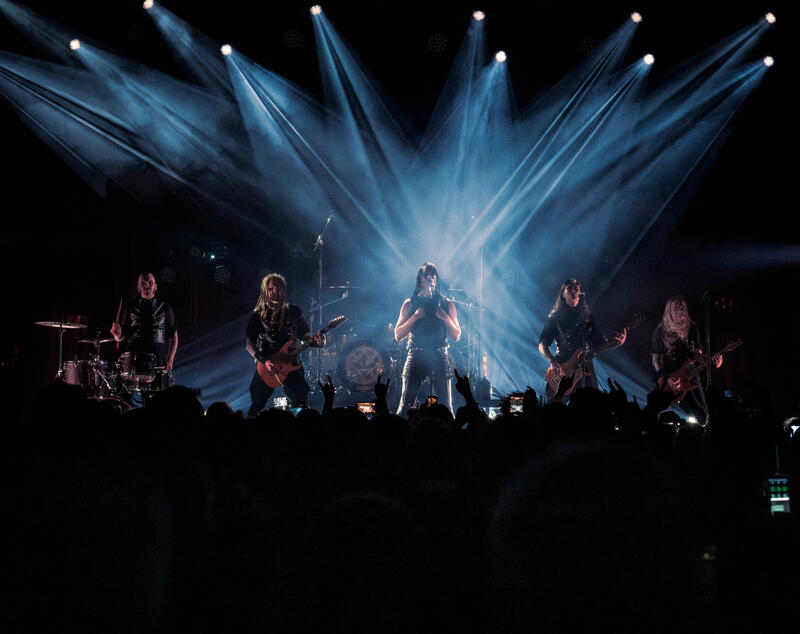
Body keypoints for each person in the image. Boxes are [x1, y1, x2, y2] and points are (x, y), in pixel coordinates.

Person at [245, 273, 325, 417]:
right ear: (265, 291)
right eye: (271, 289)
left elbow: (305, 336)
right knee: (257, 404)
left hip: (292, 364)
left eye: (278, 289)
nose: (275, 292)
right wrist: (264, 360)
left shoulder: (294, 311)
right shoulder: (257, 315)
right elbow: (249, 344)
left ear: (283, 290)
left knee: (300, 403)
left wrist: (317, 342)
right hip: (267, 366)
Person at [538, 278, 626, 400]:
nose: (574, 291)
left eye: (577, 289)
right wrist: (552, 361)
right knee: (556, 406)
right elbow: (543, 343)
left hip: (586, 367)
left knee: (591, 406)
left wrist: (615, 343)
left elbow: (599, 343)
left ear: (580, 295)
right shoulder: (555, 317)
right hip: (563, 366)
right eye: (570, 288)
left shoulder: (587, 316)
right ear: (563, 294)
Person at [394, 262, 461, 416]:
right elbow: (398, 335)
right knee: (405, 406)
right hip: (416, 356)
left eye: (433, 274)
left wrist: (445, 318)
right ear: (420, 279)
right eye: (426, 274)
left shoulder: (446, 303)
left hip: (439, 356)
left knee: (446, 407)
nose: (430, 277)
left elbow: (457, 335)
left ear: (437, 279)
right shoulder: (410, 304)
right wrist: (414, 317)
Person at [651, 295, 721, 423]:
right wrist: (667, 378)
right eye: (676, 309)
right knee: (659, 415)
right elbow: (655, 360)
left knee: (703, 413)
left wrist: (712, 361)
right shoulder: (660, 332)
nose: (680, 311)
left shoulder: (692, 329)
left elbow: (697, 355)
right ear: (669, 311)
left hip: (690, 376)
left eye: (682, 308)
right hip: (668, 380)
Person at [111, 271, 178, 371]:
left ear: (155, 287)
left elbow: (174, 337)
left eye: (150, 282)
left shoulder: (165, 308)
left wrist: (170, 361)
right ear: (138, 288)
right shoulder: (130, 307)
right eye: (143, 283)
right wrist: (116, 335)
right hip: (133, 363)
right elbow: (120, 337)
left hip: (158, 363)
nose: (147, 285)